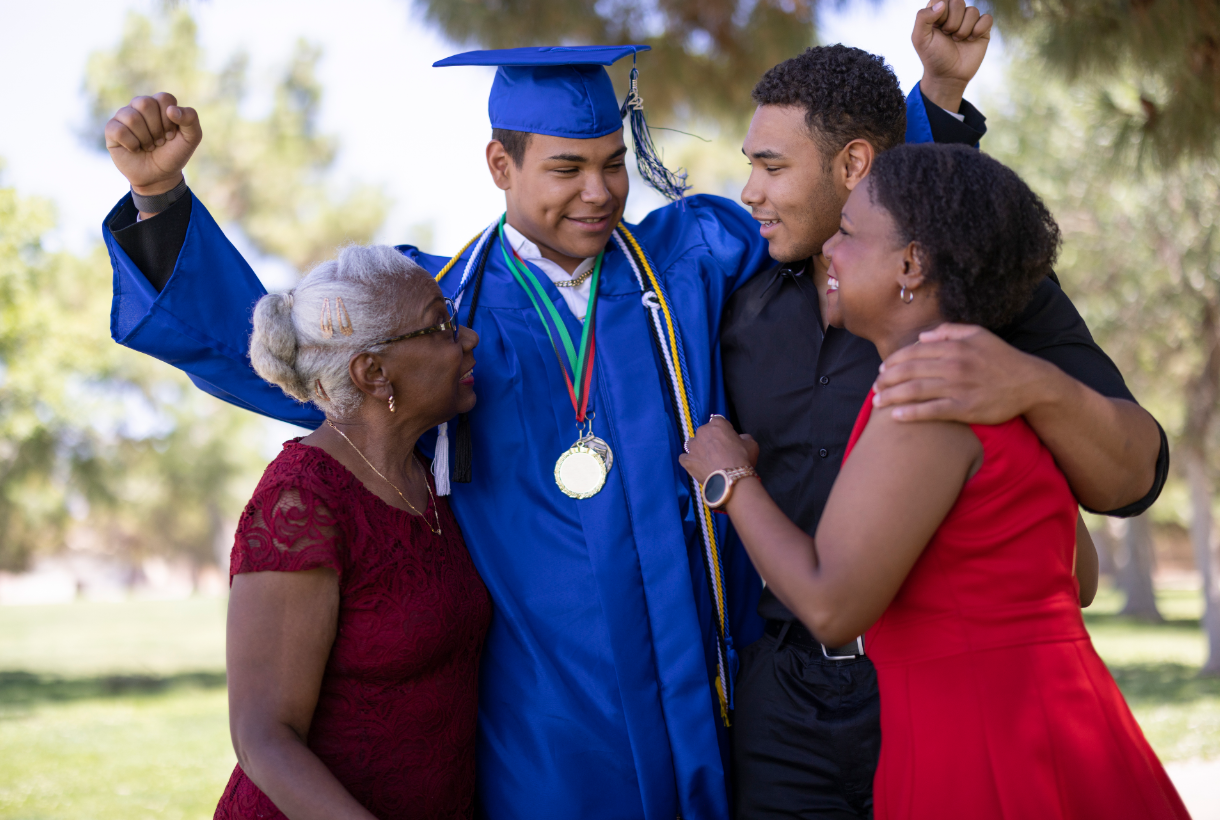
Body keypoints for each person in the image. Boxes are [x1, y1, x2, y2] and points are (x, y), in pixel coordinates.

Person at [98, 9, 991, 817]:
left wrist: (934, 104)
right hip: (539, 724)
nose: (598, 194)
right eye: (566, 169)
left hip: (703, 695)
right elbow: (281, 351)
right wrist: (159, 204)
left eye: (612, 165)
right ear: (501, 165)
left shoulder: (692, 257)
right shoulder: (435, 311)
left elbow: (851, 201)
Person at [720, 28, 1165, 820]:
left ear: (855, 169)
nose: (748, 190)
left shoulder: (959, 357)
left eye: (771, 165)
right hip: (791, 702)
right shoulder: (739, 304)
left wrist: (1034, 383)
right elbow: (1072, 564)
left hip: (945, 713)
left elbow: (1128, 482)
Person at [218, 244, 488, 820]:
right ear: (373, 372)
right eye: (441, 326)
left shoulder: (429, 476)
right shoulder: (300, 503)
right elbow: (264, 737)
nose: (468, 339)